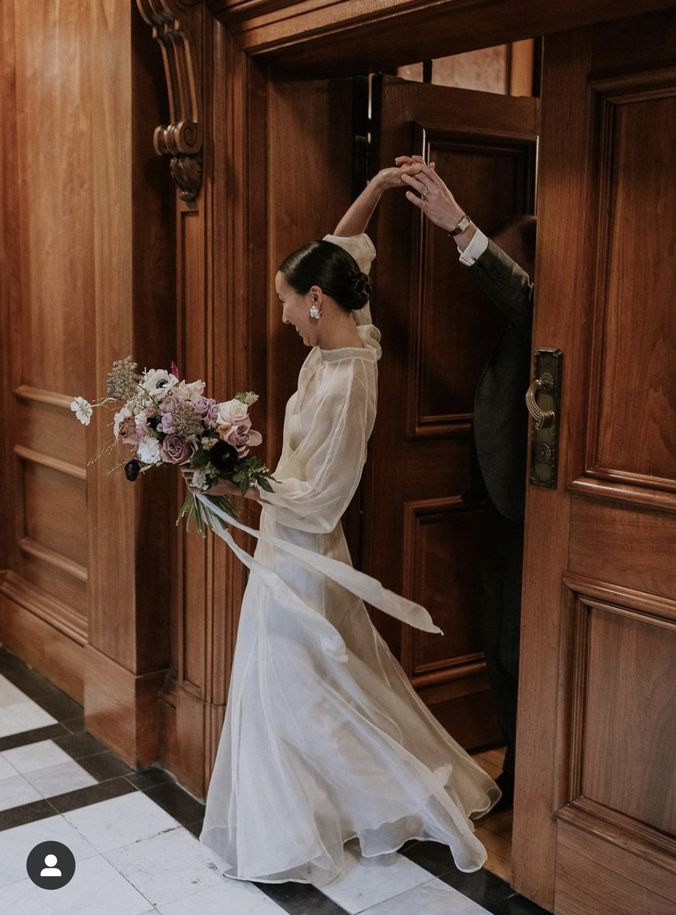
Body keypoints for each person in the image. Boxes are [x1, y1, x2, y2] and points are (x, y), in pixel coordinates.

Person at [180, 165, 501, 887]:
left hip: (305, 548)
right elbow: (343, 241)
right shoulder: (338, 341)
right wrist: (383, 186)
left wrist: (235, 472)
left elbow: (324, 497)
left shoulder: (355, 373)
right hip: (283, 541)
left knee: (295, 685)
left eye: (290, 304)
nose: (285, 316)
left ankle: (333, 814)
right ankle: (298, 814)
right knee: (294, 682)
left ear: (318, 301)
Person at [398, 155, 536, 810]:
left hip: (533, 510)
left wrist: (459, 226)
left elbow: (521, 293)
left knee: (517, 649)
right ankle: (517, 772)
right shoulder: (515, 328)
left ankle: (534, 779)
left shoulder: (541, 308)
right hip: (496, 503)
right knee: (497, 649)